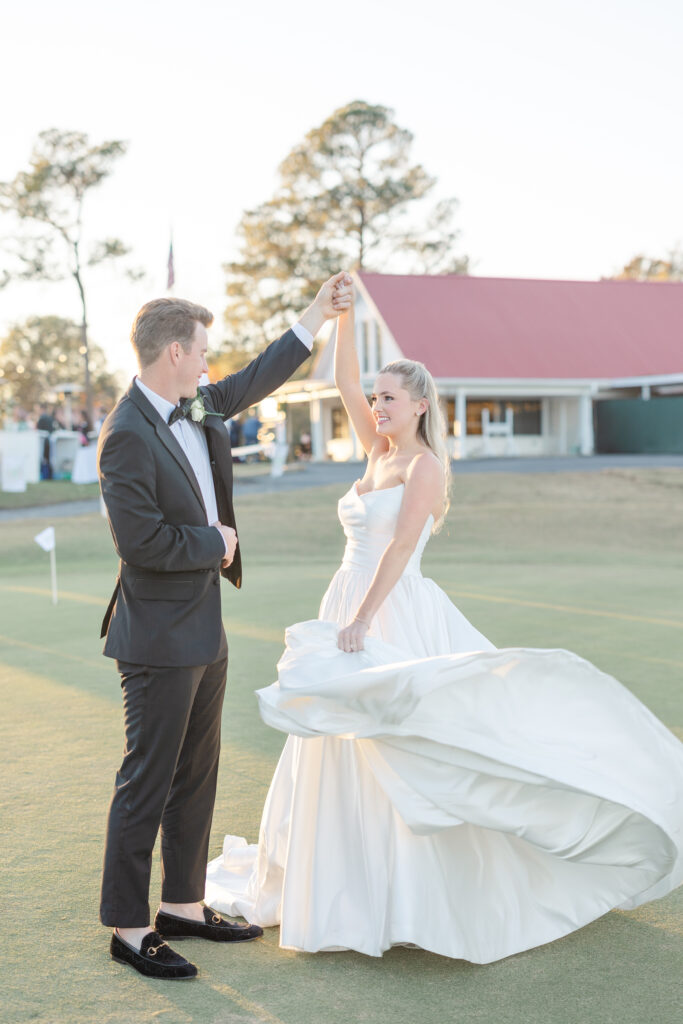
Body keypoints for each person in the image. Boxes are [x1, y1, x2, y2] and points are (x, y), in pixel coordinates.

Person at [206, 277, 683, 964]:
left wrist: (363, 620)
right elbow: (342, 379)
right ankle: (344, 881)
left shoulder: (422, 466)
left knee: (404, 740)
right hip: (345, 598)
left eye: (390, 397)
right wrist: (338, 315)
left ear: (420, 404)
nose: (377, 404)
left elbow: (400, 548)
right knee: (341, 744)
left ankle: (416, 897)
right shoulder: (375, 450)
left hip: (389, 608)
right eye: (377, 398)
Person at [97, 273, 352, 981]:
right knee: (146, 780)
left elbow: (258, 376)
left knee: (197, 775)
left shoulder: (196, 403)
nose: (210, 364)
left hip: (203, 629)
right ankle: (127, 927)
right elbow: (141, 544)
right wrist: (217, 543)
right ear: (174, 351)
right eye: (202, 350)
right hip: (155, 638)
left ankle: (182, 904)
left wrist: (315, 314)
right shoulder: (124, 435)